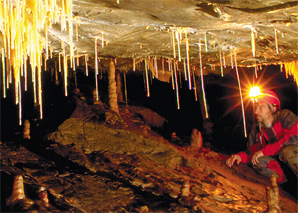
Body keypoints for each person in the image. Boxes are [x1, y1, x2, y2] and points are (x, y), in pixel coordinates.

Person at [226, 89, 298, 183]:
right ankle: (284, 187)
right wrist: (240, 156)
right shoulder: (256, 131)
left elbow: (294, 138)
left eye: (261, 107)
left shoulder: (285, 116)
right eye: (256, 107)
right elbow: (252, 153)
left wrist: (265, 151)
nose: (256, 111)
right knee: (257, 160)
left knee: (288, 151)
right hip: (284, 166)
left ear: (273, 108)